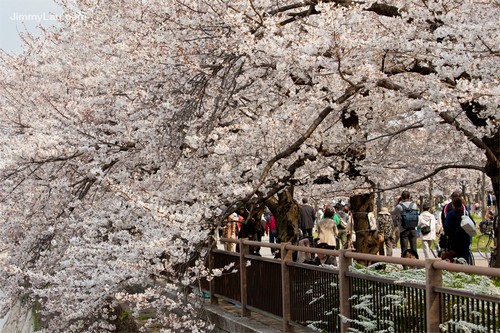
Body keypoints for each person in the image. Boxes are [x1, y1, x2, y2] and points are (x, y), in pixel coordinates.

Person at [444, 197, 472, 264]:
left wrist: (450, 234)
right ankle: (465, 271)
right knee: (465, 257)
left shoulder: (451, 214)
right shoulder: (466, 213)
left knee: (455, 257)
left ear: (453, 205)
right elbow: (472, 223)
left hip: (454, 239)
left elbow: (446, 226)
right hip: (465, 238)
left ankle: (456, 272)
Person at [392, 190, 419, 256]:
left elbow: (392, 212)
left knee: (404, 249)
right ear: (409, 197)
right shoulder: (414, 205)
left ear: (401, 197)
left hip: (403, 229)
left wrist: (397, 202)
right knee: (414, 248)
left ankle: (405, 265)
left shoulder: (399, 206)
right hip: (413, 228)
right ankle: (415, 264)